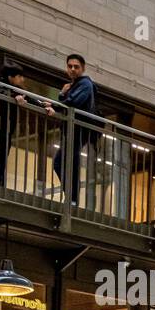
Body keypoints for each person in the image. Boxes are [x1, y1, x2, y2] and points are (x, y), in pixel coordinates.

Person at [53, 53, 98, 204]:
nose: (72, 69)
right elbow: (68, 102)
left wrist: (60, 98)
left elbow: (73, 103)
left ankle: (72, 199)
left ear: (83, 68)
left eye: (76, 67)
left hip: (78, 130)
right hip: (72, 129)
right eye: (70, 66)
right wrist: (61, 96)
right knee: (62, 162)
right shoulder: (75, 85)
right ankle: (71, 198)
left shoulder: (85, 84)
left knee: (66, 163)